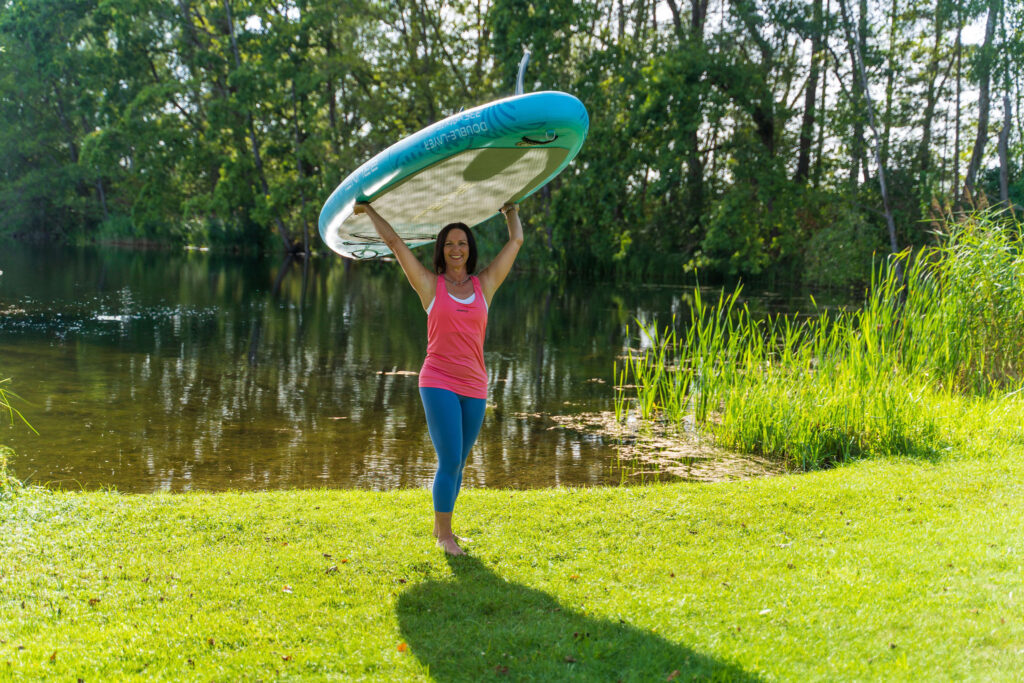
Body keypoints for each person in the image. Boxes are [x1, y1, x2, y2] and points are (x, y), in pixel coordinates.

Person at [352, 201, 524, 555]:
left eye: (462, 243)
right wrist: (368, 211)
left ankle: (443, 528)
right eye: (449, 244)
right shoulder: (430, 286)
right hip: (438, 380)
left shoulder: (485, 285)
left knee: (459, 461)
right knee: (448, 460)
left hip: (475, 385)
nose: (456, 249)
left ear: (470, 249)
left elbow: (516, 242)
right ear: (441, 251)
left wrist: (511, 212)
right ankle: (445, 536)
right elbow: (397, 245)